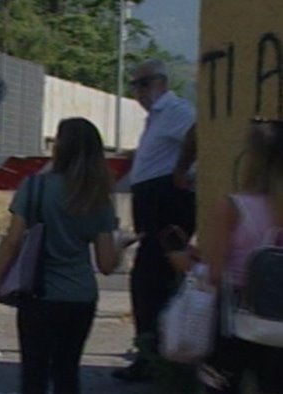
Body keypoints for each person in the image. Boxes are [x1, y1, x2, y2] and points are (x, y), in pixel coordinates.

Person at [0, 118, 125, 394]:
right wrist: (122, 246)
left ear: (60, 148)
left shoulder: (34, 188)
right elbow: (105, 264)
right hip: (80, 298)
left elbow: (12, 243)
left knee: (35, 375)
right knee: (67, 375)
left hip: (39, 297)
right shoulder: (97, 197)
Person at [112, 58, 197, 381]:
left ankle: (154, 357)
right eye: (136, 86)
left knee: (149, 279)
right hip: (155, 200)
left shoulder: (175, 111)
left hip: (166, 202)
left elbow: (196, 133)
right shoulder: (158, 118)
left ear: (160, 83)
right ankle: (154, 354)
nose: (138, 93)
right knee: (151, 279)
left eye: (143, 85)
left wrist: (180, 171)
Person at [199, 119, 283, 394]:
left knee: (220, 385)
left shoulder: (233, 206)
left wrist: (187, 264)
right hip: (279, 321)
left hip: (235, 318)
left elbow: (214, 274)